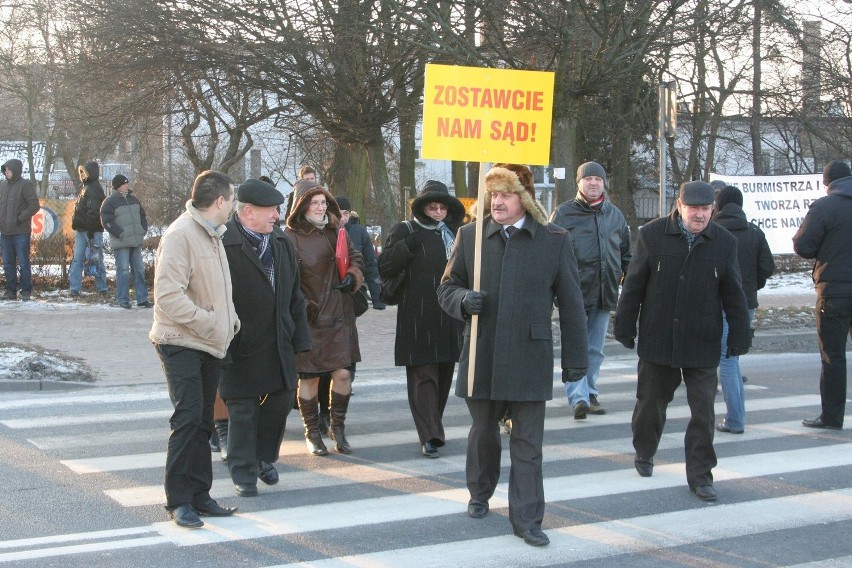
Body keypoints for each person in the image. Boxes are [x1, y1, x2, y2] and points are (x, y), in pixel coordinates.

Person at [437, 164, 588, 547]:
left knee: (527, 442)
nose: (497, 201)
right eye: (493, 194)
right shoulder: (470, 236)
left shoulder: (554, 239)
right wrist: (462, 301)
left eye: (505, 193)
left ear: (525, 198)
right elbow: (446, 288)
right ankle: (479, 492)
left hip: (528, 353)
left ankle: (527, 519)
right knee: (483, 432)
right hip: (482, 350)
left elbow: (572, 306)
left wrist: (576, 363)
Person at [614, 180, 750, 503]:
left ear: (712, 210)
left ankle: (701, 476)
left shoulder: (724, 243)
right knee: (650, 404)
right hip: (659, 339)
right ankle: (644, 451)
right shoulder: (652, 235)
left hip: (702, 342)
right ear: (679, 206)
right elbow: (633, 285)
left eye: (705, 209)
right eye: (694, 208)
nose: (699, 215)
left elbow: (734, 293)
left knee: (703, 412)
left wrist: (740, 335)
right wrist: (625, 325)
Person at [150, 170, 241, 529]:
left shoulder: (214, 234)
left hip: (209, 343)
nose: (233, 205)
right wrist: (210, 323)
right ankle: (179, 501)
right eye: (232, 199)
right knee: (188, 419)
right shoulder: (181, 234)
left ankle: (201, 495)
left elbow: (218, 290)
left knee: (204, 421)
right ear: (220, 201)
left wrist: (230, 322)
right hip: (180, 341)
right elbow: (168, 297)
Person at [221, 179, 311, 497]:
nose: (276, 215)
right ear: (248, 212)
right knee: (243, 409)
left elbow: (294, 297)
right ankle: (243, 474)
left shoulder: (281, 242)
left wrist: (301, 338)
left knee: (281, 401)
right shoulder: (223, 243)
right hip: (240, 344)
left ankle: (261, 457)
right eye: (271, 210)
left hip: (278, 340)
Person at [379, 180, 464, 458]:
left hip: (449, 314)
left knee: (442, 374)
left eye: (442, 207)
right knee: (422, 375)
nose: (438, 212)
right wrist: (407, 246)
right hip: (417, 315)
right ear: (423, 207)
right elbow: (385, 265)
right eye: (433, 206)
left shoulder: (455, 232)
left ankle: (432, 426)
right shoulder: (406, 229)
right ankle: (429, 435)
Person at [285, 179, 364, 456]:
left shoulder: (337, 230)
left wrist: (352, 276)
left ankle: (338, 429)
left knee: (343, 374)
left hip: (340, 315)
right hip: (310, 319)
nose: (319, 208)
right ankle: (312, 432)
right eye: (313, 203)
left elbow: (356, 257)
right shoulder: (289, 237)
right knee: (309, 379)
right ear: (301, 206)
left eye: (322, 202)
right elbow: (287, 282)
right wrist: (306, 307)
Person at [549, 161, 631, 419]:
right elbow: (549, 255)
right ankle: (578, 398)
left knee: (595, 349)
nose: (593, 183)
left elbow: (626, 254)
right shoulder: (563, 214)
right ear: (579, 182)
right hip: (573, 292)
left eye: (598, 179)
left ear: (604, 183)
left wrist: (629, 282)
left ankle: (590, 392)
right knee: (576, 345)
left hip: (604, 291)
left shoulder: (615, 215)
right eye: (588, 179)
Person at [792, 160, 852, 431]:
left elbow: (803, 245)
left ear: (827, 183)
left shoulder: (825, 206)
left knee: (833, 356)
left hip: (834, 292)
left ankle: (832, 417)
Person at [713, 186, 775, 433]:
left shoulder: (713, 231)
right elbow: (767, 268)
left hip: (718, 302)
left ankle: (735, 419)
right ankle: (736, 416)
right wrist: (751, 287)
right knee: (733, 359)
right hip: (746, 303)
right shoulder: (754, 232)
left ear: (718, 204)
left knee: (727, 361)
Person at [100, 175, 151, 309]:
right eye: (124, 184)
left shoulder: (134, 199)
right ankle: (123, 299)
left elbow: (142, 216)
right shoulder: (110, 202)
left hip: (135, 240)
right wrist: (119, 233)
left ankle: (142, 298)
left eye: (127, 184)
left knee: (139, 270)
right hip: (121, 241)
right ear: (117, 186)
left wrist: (142, 229)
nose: (126, 186)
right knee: (122, 270)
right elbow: (106, 220)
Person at [0, 159, 39, 301]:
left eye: (8, 170)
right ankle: (10, 291)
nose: (6, 172)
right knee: (8, 263)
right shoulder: (3, 185)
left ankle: (26, 290)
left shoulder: (25, 185)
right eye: (5, 169)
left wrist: (19, 218)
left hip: (20, 232)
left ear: (15, 170)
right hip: (4, 232)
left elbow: (34, 205)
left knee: (23, 262)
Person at [336, 195, 384, 309]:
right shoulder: (325, 232)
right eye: (338, 214)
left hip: (352, 289)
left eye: (345, 213)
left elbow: (370, 264)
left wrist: (377, 297)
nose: (342, 218)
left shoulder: (360, 232)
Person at [69, 161, 108, 297]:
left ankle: (101, 288)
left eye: (84, 172)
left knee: (95, 258)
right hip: (83, 230)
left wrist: (91, 232)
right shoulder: (87, 187)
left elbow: (94, 212)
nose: (82, 175)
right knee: (82, 259)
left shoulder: (93, 189)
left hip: (91, 231)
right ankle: (76, 288)